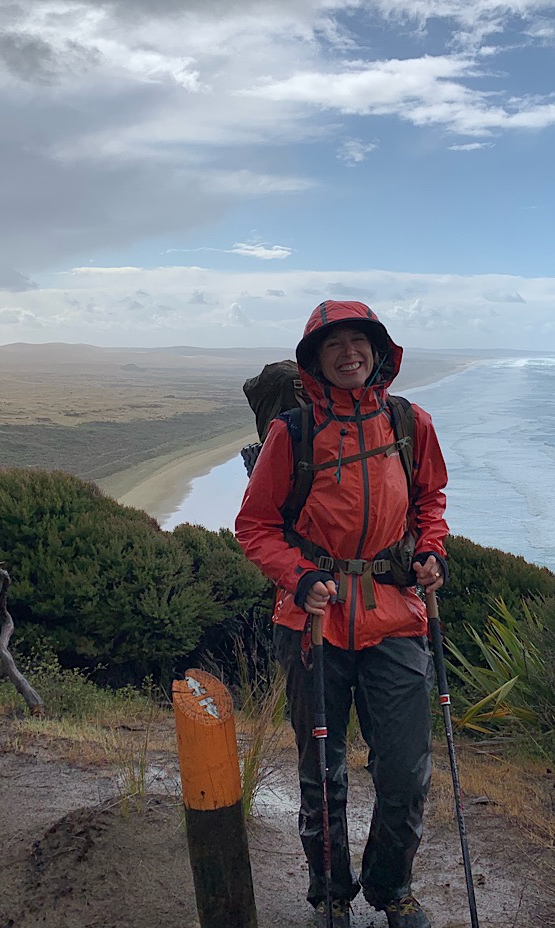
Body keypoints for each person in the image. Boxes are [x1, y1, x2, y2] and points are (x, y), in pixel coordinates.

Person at [235, 300, 449, 928]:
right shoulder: (292, 433)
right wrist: (299, 579)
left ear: (378, 350)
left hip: (395, 616)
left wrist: (432, 552)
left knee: (406, 773)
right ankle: (330, 891)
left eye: (358, 341)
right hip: (313, 623)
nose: (349, 353)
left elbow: (430, 500)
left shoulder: (411, 424)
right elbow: (254, 525)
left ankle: (390, 889)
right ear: (315, 362)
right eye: (334, 346)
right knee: (322, 775)